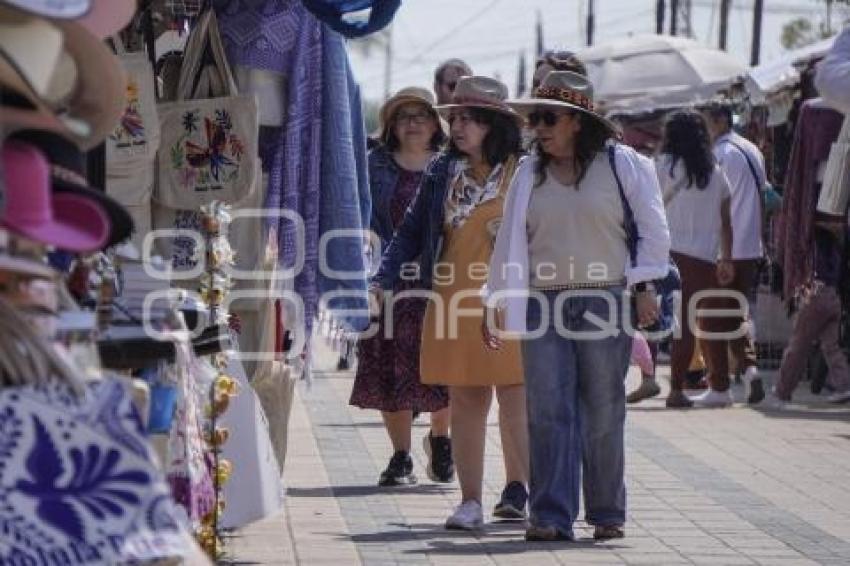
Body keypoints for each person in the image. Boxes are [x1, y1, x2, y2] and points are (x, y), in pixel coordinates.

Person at [485, 71, 670, 541]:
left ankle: (607, 511)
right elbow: (510, 238)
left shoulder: (623, 164)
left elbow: (652, 228)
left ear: (577, 121)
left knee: (604, 408)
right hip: (541, 301)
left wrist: (645, 284)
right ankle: (550, 514)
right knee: (546, 408)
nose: (538, 128)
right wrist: (496, 297)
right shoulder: (529, 171)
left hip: (605, 298)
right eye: (534, 119)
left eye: (548, 118)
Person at [373, 76, 529, 530]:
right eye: (454, 118)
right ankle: (470, 500)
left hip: (512, 299)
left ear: (495, 125)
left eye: (469, 119)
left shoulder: (526, 170)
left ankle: (518, 488)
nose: (457, 126)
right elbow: (409, 232)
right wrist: (381, 279)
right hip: (452, 298)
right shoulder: (443, 170)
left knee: (517, 399)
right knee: (465, 402)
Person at [350, 87, 453, 486]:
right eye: (404, 115)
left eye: (421, 115)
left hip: (440, 283)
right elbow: (356, 212)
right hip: (387, 284)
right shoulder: (372, 165)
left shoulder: (449, 166)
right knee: (391, 368)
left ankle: (441, 439)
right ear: (391, 124)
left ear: (435, 124)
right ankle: (401, 455)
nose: (413, 122)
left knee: (444, 365)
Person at [627, 110, 735, 408]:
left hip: (665, 255)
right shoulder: (715, 171)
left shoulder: (659, 166)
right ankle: (676, 389)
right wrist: (727, 257)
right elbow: (727, 221)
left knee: (646, 313)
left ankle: (649, 377)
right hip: (703, 258)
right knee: (686, 325)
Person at [700, 102, 766, 406]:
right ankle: (751, 371)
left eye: (705, 122)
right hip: (751, 246)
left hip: (725, 249)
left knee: (713, 318)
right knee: (735, 315)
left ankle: (719, 386)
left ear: (719, 120)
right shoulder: (753, 149)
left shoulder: (720, 154)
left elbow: (713, 205)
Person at [774, 221, 850, 405]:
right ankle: (844, 385)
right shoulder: (837, 243)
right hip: (833, 296)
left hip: (816, 293)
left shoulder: (812, 240)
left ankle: (782, 390)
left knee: (798, 345)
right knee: (831, 347)